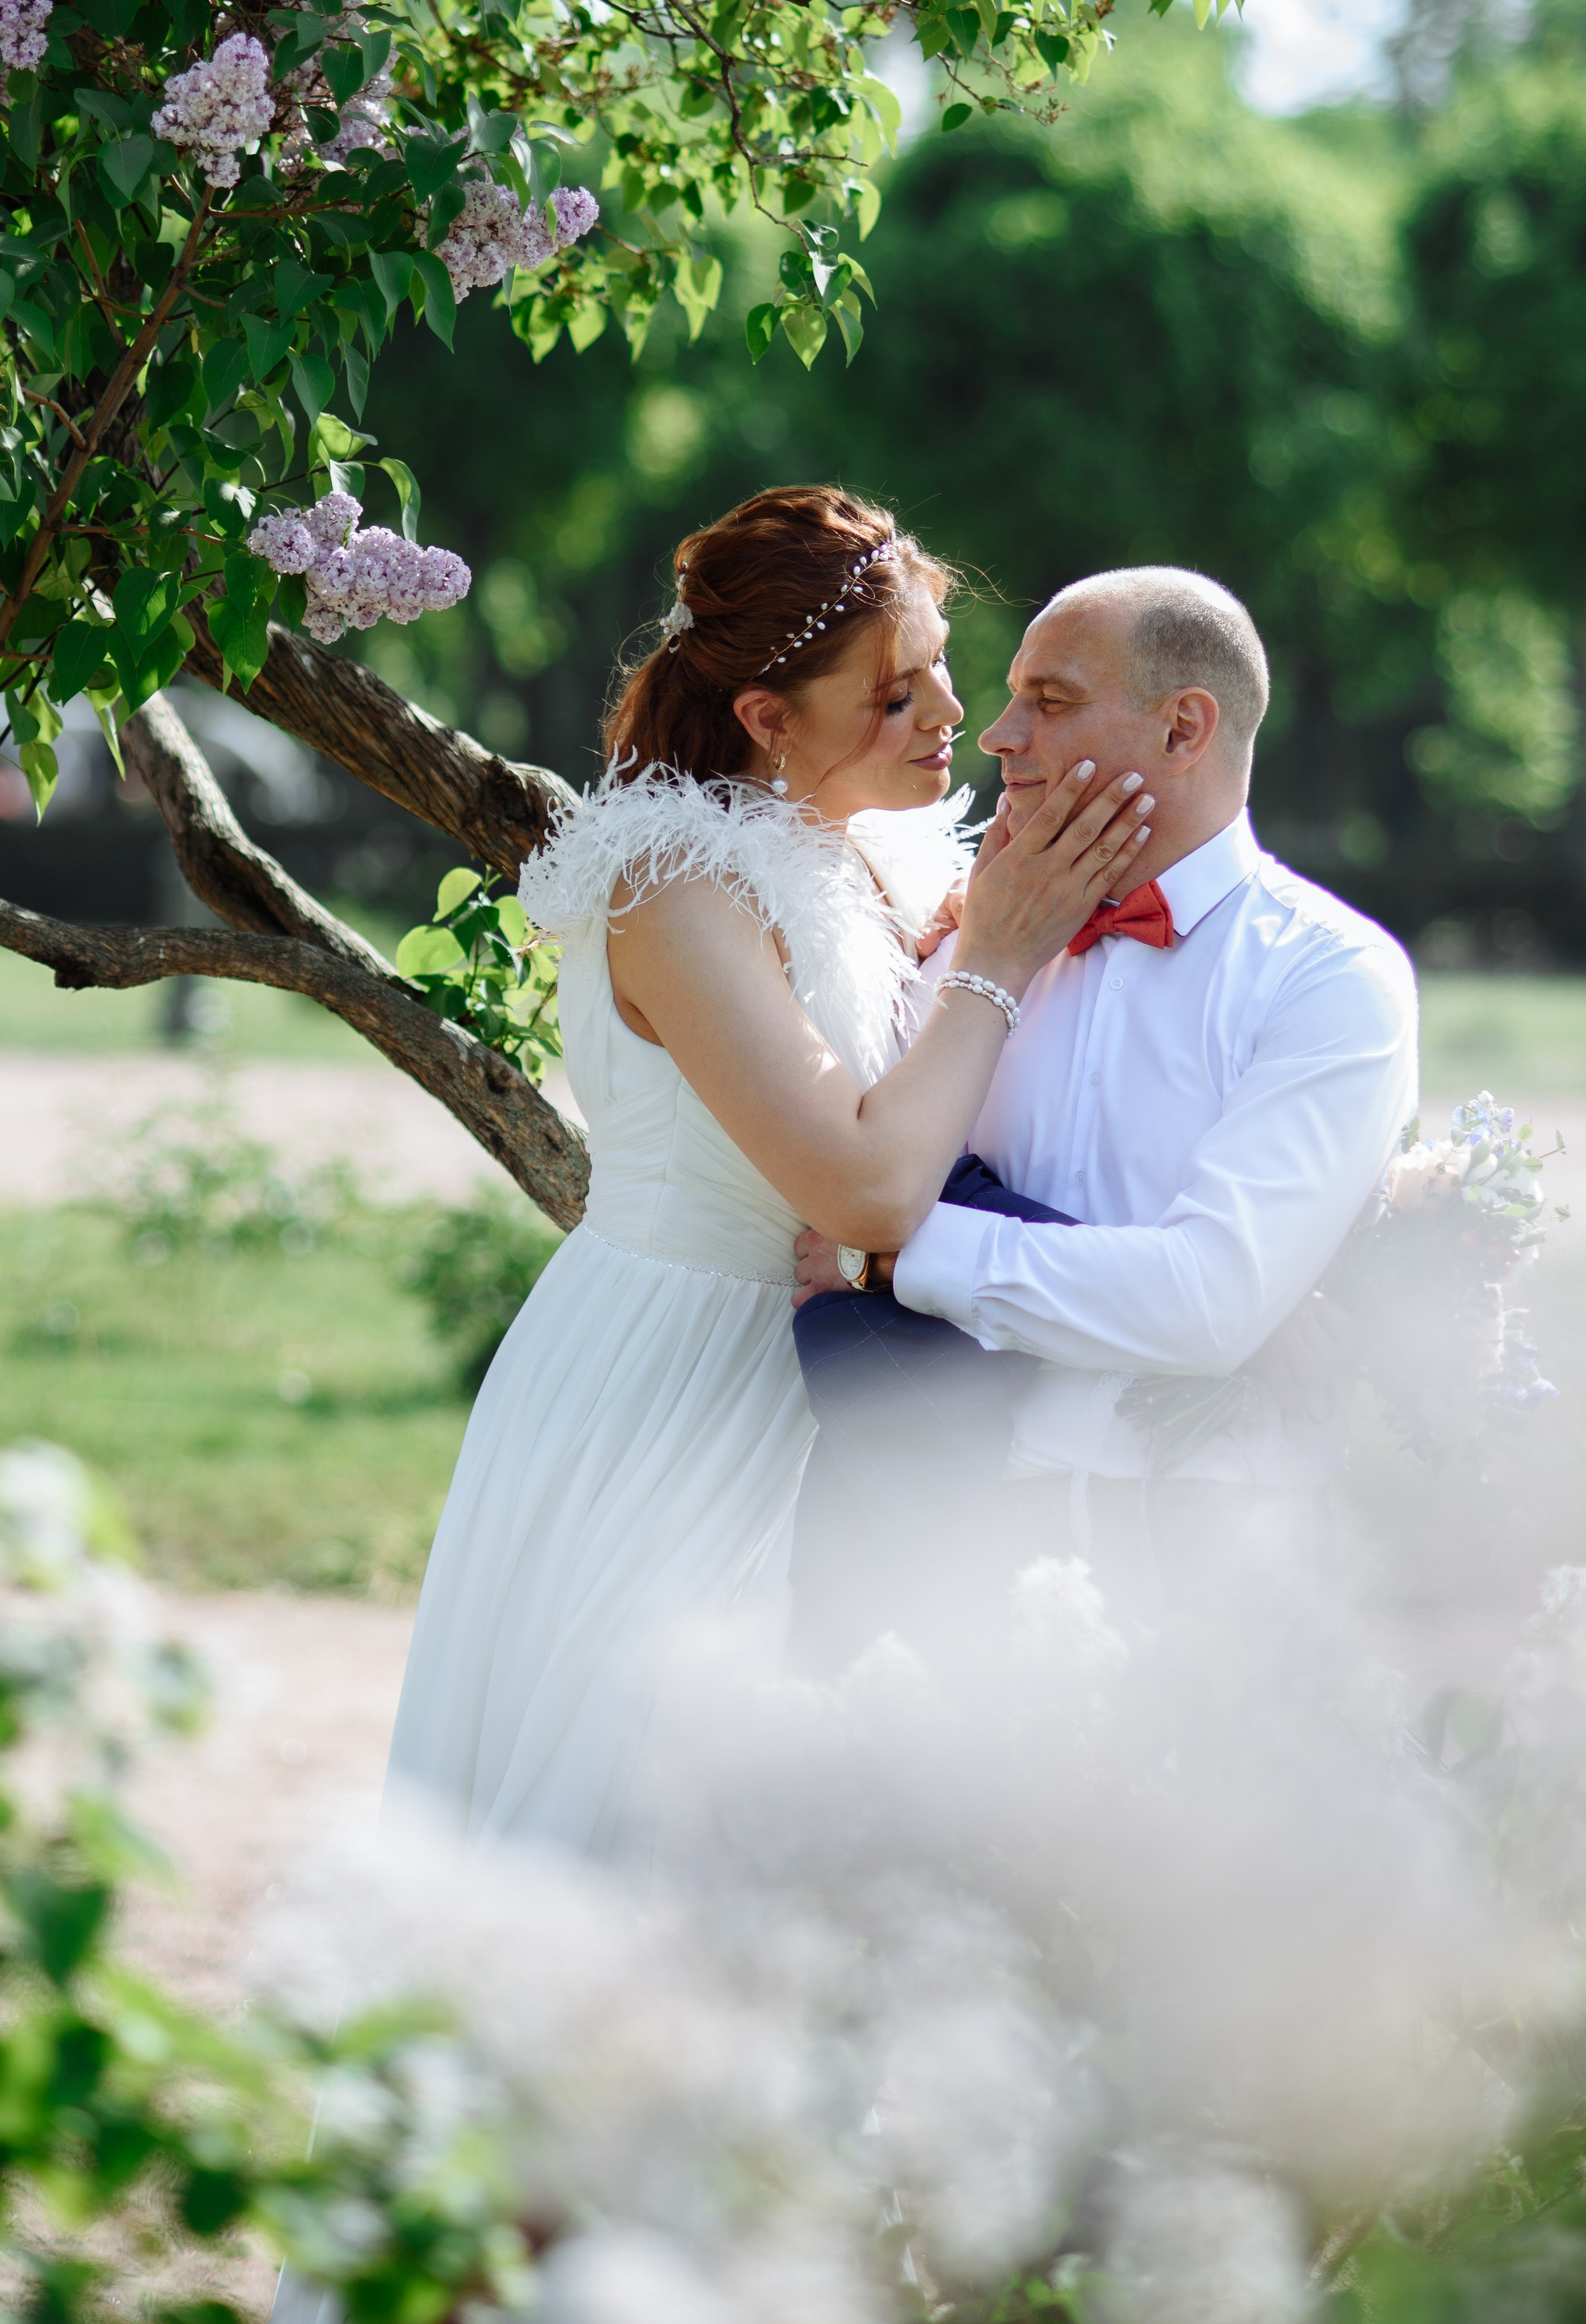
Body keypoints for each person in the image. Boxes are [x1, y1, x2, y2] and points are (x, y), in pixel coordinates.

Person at [380, 487, 1152, 1863]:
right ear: (764, 719)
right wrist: (1004, 951)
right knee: (648, 1814)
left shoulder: (873, 855)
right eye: (895, 693)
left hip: (843, 1374)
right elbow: (863, 1189)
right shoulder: (676, 886)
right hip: (674, 1380)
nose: (948, 718)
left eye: (940, 666)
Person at [789, 565, 1420, 1637]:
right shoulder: (954, 957)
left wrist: (896, 1256)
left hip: (1192, 1554)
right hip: (917, 1536)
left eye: (1052, 700)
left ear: (1184, 731)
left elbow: (1210, 1301)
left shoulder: (1330, 977)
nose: (997, 734)